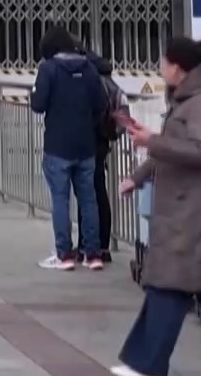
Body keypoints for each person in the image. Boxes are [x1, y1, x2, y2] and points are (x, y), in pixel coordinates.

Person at [111, 37, 201, 376]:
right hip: (186, 209)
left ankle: (145, 364)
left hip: (195, 213)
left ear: (177, 67)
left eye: (164, 62)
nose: (160, 68)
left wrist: (152, 141)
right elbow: (173, 148)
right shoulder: (190, 101)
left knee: (171, 285)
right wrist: (138, 176)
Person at [30, 27, 107, 270]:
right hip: (86, 144)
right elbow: (101, 102)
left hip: (57, 145)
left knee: (60, 199)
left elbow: (38, 104)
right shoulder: (89, 68)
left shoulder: (48, 69)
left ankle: (64, 254)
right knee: (88, 199)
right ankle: (93, 254)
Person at [84, 53, 128, 266]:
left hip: (90, 141)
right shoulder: (114, 86)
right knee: (99, 191)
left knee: (88, 194)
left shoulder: (94, 84)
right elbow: (122, 121)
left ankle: (89, 245)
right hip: (102, 143)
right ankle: (103, 246)